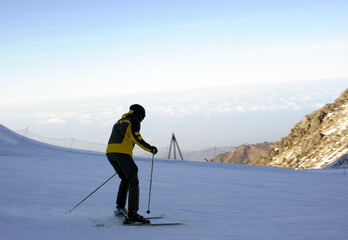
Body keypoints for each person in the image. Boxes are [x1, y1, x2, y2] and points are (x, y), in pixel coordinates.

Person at [106, 104, 158, 224]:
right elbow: (136, 137)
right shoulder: (133, 120)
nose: (142, 119)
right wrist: (150, 149)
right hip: (121, 154)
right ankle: (132, 213)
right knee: (133, 180)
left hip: (110, 154)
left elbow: (125, 138)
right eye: (143, 116)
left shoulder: (119, 121)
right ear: (138, 113)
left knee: (125, 178)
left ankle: (120, 209)